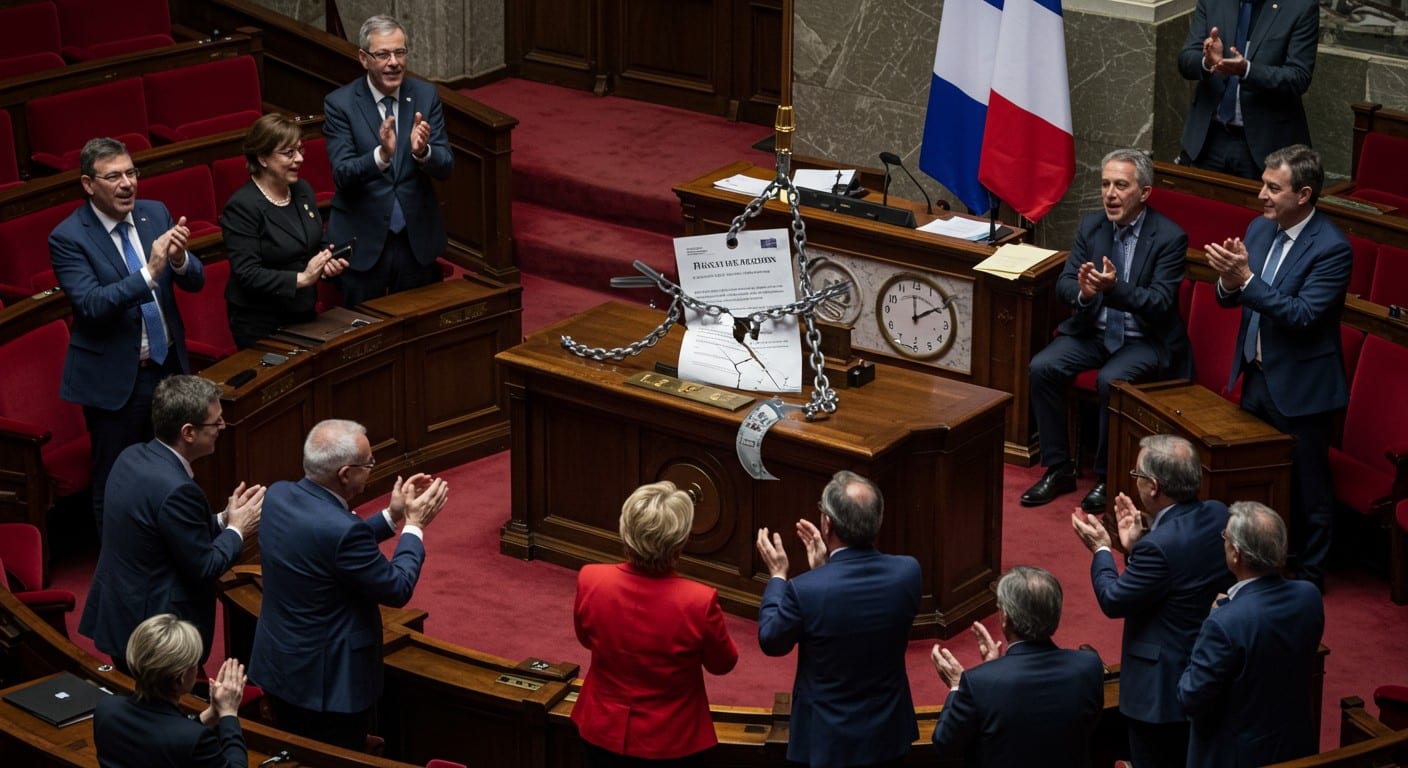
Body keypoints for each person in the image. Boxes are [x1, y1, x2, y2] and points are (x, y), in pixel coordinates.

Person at [249, 419, 448, 750]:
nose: (372, 469)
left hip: (279, 667)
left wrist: (391, 515)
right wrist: (415, 525)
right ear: (345, 474)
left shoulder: (279, 495)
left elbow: (328, 545)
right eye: (368, 464)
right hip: (328, 688)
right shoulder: (342, 531)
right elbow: (396, 588)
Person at [1205, 144, 1351, 593]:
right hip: (1257, 376)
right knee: (1253, 475)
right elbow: (1233, 298)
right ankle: (1254, 563)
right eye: (1262, 184)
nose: (1261, 195)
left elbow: (1303, 315)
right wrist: (1230, 281)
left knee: (1309, 490)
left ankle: (1309, 578)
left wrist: (1246, 280)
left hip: (1304, 389)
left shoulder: (1332, 249)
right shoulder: (1258, 228)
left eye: (1273, 187)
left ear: (1304, 194)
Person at [49, 137, 204, 534]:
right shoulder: (68, 238)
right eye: (114, 176)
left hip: (167, 367)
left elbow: (196, 280)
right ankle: (116, 568)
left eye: (131, 172)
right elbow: (93, 304)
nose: (127, 184)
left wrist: (180, 259)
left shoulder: (155, 212)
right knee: (115, 479)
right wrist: (149, 274)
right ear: (88, 184)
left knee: (174, 468)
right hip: (117, 380)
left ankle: (174, 546)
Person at [1022, 149, 1191, 512]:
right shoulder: (1091, 225)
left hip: (1145, 338)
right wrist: (1084, 293)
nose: (1110, 194)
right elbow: (1066, 283)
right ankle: (1059, 467)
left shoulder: (1169, 237)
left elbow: (1161, 303)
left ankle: (1105, 476)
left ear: (1144, 192)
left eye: (1121, 185)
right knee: (1042, 367)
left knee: (1110, 381)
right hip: (1093, 333)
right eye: (1105, 184)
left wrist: (1115, 289)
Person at [78, 376, 263, 672]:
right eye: (215, 423)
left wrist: (223, 519)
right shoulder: (178, 489)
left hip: (124, 613)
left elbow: (166, 532)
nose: (222, 428)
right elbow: (205, 567)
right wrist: (237, 530)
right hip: (157, 636)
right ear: (188, 432)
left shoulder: (131, 456)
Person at [1070, 434, 1232, 768]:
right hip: (1210, 669)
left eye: (1137, 476)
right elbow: (1174, 578)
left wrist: (1102, 549)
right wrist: (1136, 546)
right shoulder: (1218, 514)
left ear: (1154, 486)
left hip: (1161, 693)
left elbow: (1114, 600)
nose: (1136, 483)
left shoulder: (1159, 546)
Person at [755, 470, 921, 768]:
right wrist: (823, 571)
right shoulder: (908, 573)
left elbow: (772, 640)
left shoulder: (805, 589)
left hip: (828, 741)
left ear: (826, 524)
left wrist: (778, 578)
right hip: (888, 733)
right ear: (877, 520)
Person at [572, 481, 739, 767]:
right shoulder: (698, 602)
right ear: (680, 543)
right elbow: (722, 663)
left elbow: (586, 638)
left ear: (626, 531)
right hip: (672, 741)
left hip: (602, 729)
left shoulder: (591, 580)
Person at [1178, 502, 1324, 768]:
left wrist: (1215, 617)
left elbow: (1190, 696)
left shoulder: (1224, 623)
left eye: (1226, 537)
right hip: (1295, 745)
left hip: (1236, 756)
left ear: (1236, 554)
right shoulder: (1309, 596)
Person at [324, 14, 452, 306]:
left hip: (415, 240)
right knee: (365, 339)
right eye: (382, 54)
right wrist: (381, 155)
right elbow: (343, 174)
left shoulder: (425, 95)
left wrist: (423, 152)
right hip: (363, 241)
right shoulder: (340, 104)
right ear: (364, 58)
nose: (394, 62)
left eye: (400, 52)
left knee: (417, 331)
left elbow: (446, 166)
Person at [930, 566, 1104, 768]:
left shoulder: (976, 682)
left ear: (1005, 618)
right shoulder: (1089, 665)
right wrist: (994, 669)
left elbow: (945, 745)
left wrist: (956, 686)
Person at [221, 113, 348, 349]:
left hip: (302, 310)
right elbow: (247, 273)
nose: (299, 159)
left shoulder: (301, 189)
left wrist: (326, 262)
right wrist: (302, 279)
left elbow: (313, 242)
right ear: (262, 158)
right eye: (289, 153)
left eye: (300, 149)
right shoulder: (242, 206)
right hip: (259, 321)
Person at [1177, 0, 1318, 180]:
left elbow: (1298, 77)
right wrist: (1207, 62)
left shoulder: (1301, 7)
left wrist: (1247, 71)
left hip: (1264, 146)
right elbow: (1186, 60)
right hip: (1208, 139)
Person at [94, 613, 247, 768]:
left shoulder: (106, 708)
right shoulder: (194, 739)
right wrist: (228, 713)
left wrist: (212, 714)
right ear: (180, 678)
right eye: (195, 663)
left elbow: (165, 734)